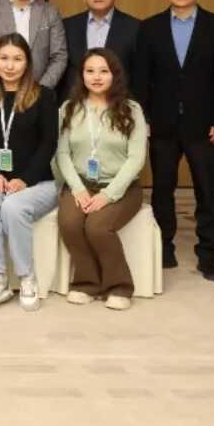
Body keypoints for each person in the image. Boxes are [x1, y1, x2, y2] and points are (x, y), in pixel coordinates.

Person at [132, 0, 214, 278]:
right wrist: (143, 118)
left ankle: (208, 254)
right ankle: (164, 248)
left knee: (207, 191)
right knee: (162, 190)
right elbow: (141, 79)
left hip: (206, 126)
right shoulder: (150, 27)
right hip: (162, 125)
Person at [0, 34, 59, 312]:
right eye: (4, 58)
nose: (10, 66)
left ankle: (26, 276)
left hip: (37, 182)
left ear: (28, 63)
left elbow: (49, 143)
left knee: (12, 207)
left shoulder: (44, 96)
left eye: (17, 59)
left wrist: (25, 179)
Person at [57, 48, 148, 310]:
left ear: (114, 75)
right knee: (70, 223)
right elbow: (62, 153)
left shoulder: (132, 110)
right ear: (82, 75)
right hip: (80, 184)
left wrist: (108, 195)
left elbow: (136, 158)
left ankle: (119, 286)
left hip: (121, 187)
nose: (96, 77)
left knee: (97, 227)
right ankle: (87, 284)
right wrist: (77, 189)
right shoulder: (69, 108)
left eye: (103, 71)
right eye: (90, 71)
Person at [62, 0, 140, 102]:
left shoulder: (135, 27)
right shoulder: (66, 26)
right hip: (75, 103)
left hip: (119, 103)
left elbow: (138, 73)